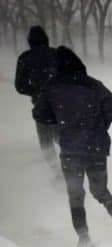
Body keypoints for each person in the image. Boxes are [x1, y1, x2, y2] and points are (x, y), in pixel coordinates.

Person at [34, 46, 112, 247]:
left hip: (70, 149)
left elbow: (40, 114)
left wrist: (60, 121)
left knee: (75, 194)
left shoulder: (52, 87)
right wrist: (98, 124)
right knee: (99, 189)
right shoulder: (93, 85)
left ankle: (84, 237)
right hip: (96, 147)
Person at [14, 25, 58, 173]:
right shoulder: (57, 54)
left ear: (30, 41)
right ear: (46, 39)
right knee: (64, 138)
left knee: (46, 142)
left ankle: (57, 171)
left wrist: (35, 92)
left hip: (41, 106)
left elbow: (20, 86)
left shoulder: (25, 58)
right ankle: (72, 171)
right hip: (62, 105)